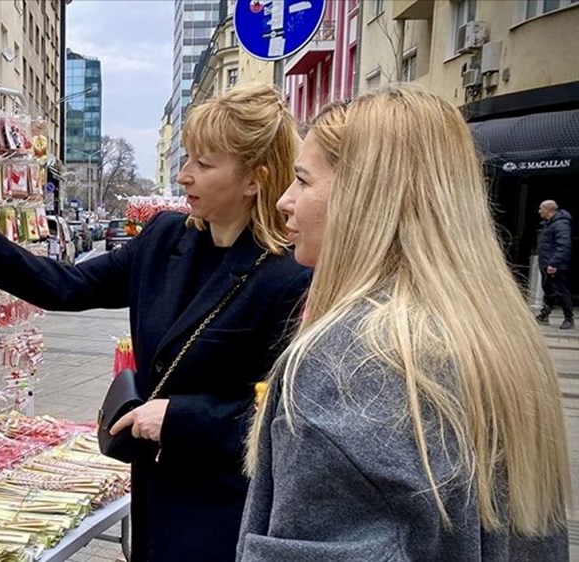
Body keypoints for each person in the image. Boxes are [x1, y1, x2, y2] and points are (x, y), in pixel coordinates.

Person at [0, 82, 311, 561]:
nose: (184, 174)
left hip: (220, 501)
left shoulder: (287, 275)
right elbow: (67, 286)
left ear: (254, 179)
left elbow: (284, 417)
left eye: (204, 163)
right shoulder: (163, 239)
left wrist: (182, 417)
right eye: (187, 157)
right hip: (153, 482)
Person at [237, 86, 570, 561]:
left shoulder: (349, 362)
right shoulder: (498, 336)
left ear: (367, 195)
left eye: (304, 182)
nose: (284, 202)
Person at [536, 200, 573, 330]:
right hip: (547, 264)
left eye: (541, 208)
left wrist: (554, 263)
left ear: (548, 209)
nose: (539, 211)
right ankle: (544, 314)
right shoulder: (549, 224)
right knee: (548, 291)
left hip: (555, 265)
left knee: (561, 291)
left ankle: (569, 318)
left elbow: (564, 245)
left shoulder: (561, 224)